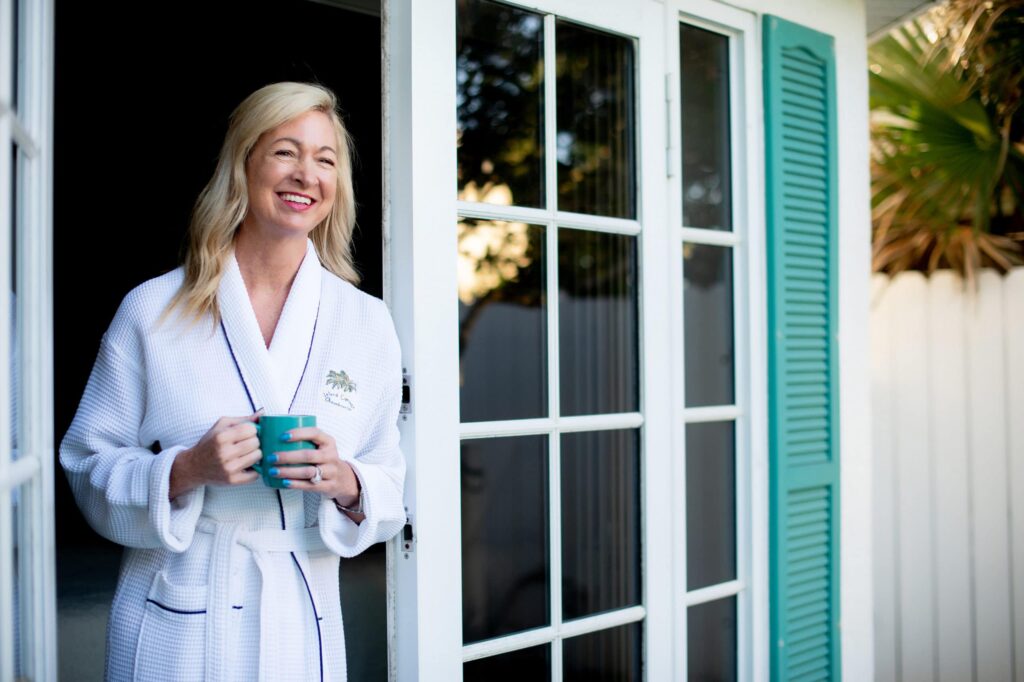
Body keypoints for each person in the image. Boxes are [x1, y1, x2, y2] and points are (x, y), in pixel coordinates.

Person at [60, 82, 406, 681]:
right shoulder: (154, 309)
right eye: (285, 152)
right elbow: (86, 465)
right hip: (181, 616)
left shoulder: (365, 321)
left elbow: (390, 480)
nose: (307, 174)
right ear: (242, 164)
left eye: (326, 159)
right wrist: (187, 469)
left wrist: (347, 481)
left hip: (300, 619)